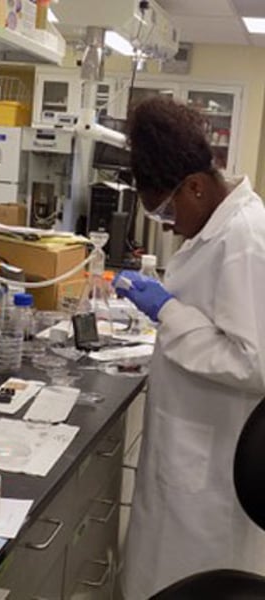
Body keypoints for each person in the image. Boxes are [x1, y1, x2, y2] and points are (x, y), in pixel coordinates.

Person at [113, 96, 265, 599]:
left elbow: (254, 362)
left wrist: (168, 313)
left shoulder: (246, 239)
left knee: (188, 582)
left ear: (196, 187)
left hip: (211, 474)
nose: (167, 224)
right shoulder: (221, 224)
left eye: (165, 210)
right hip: (190, 444)